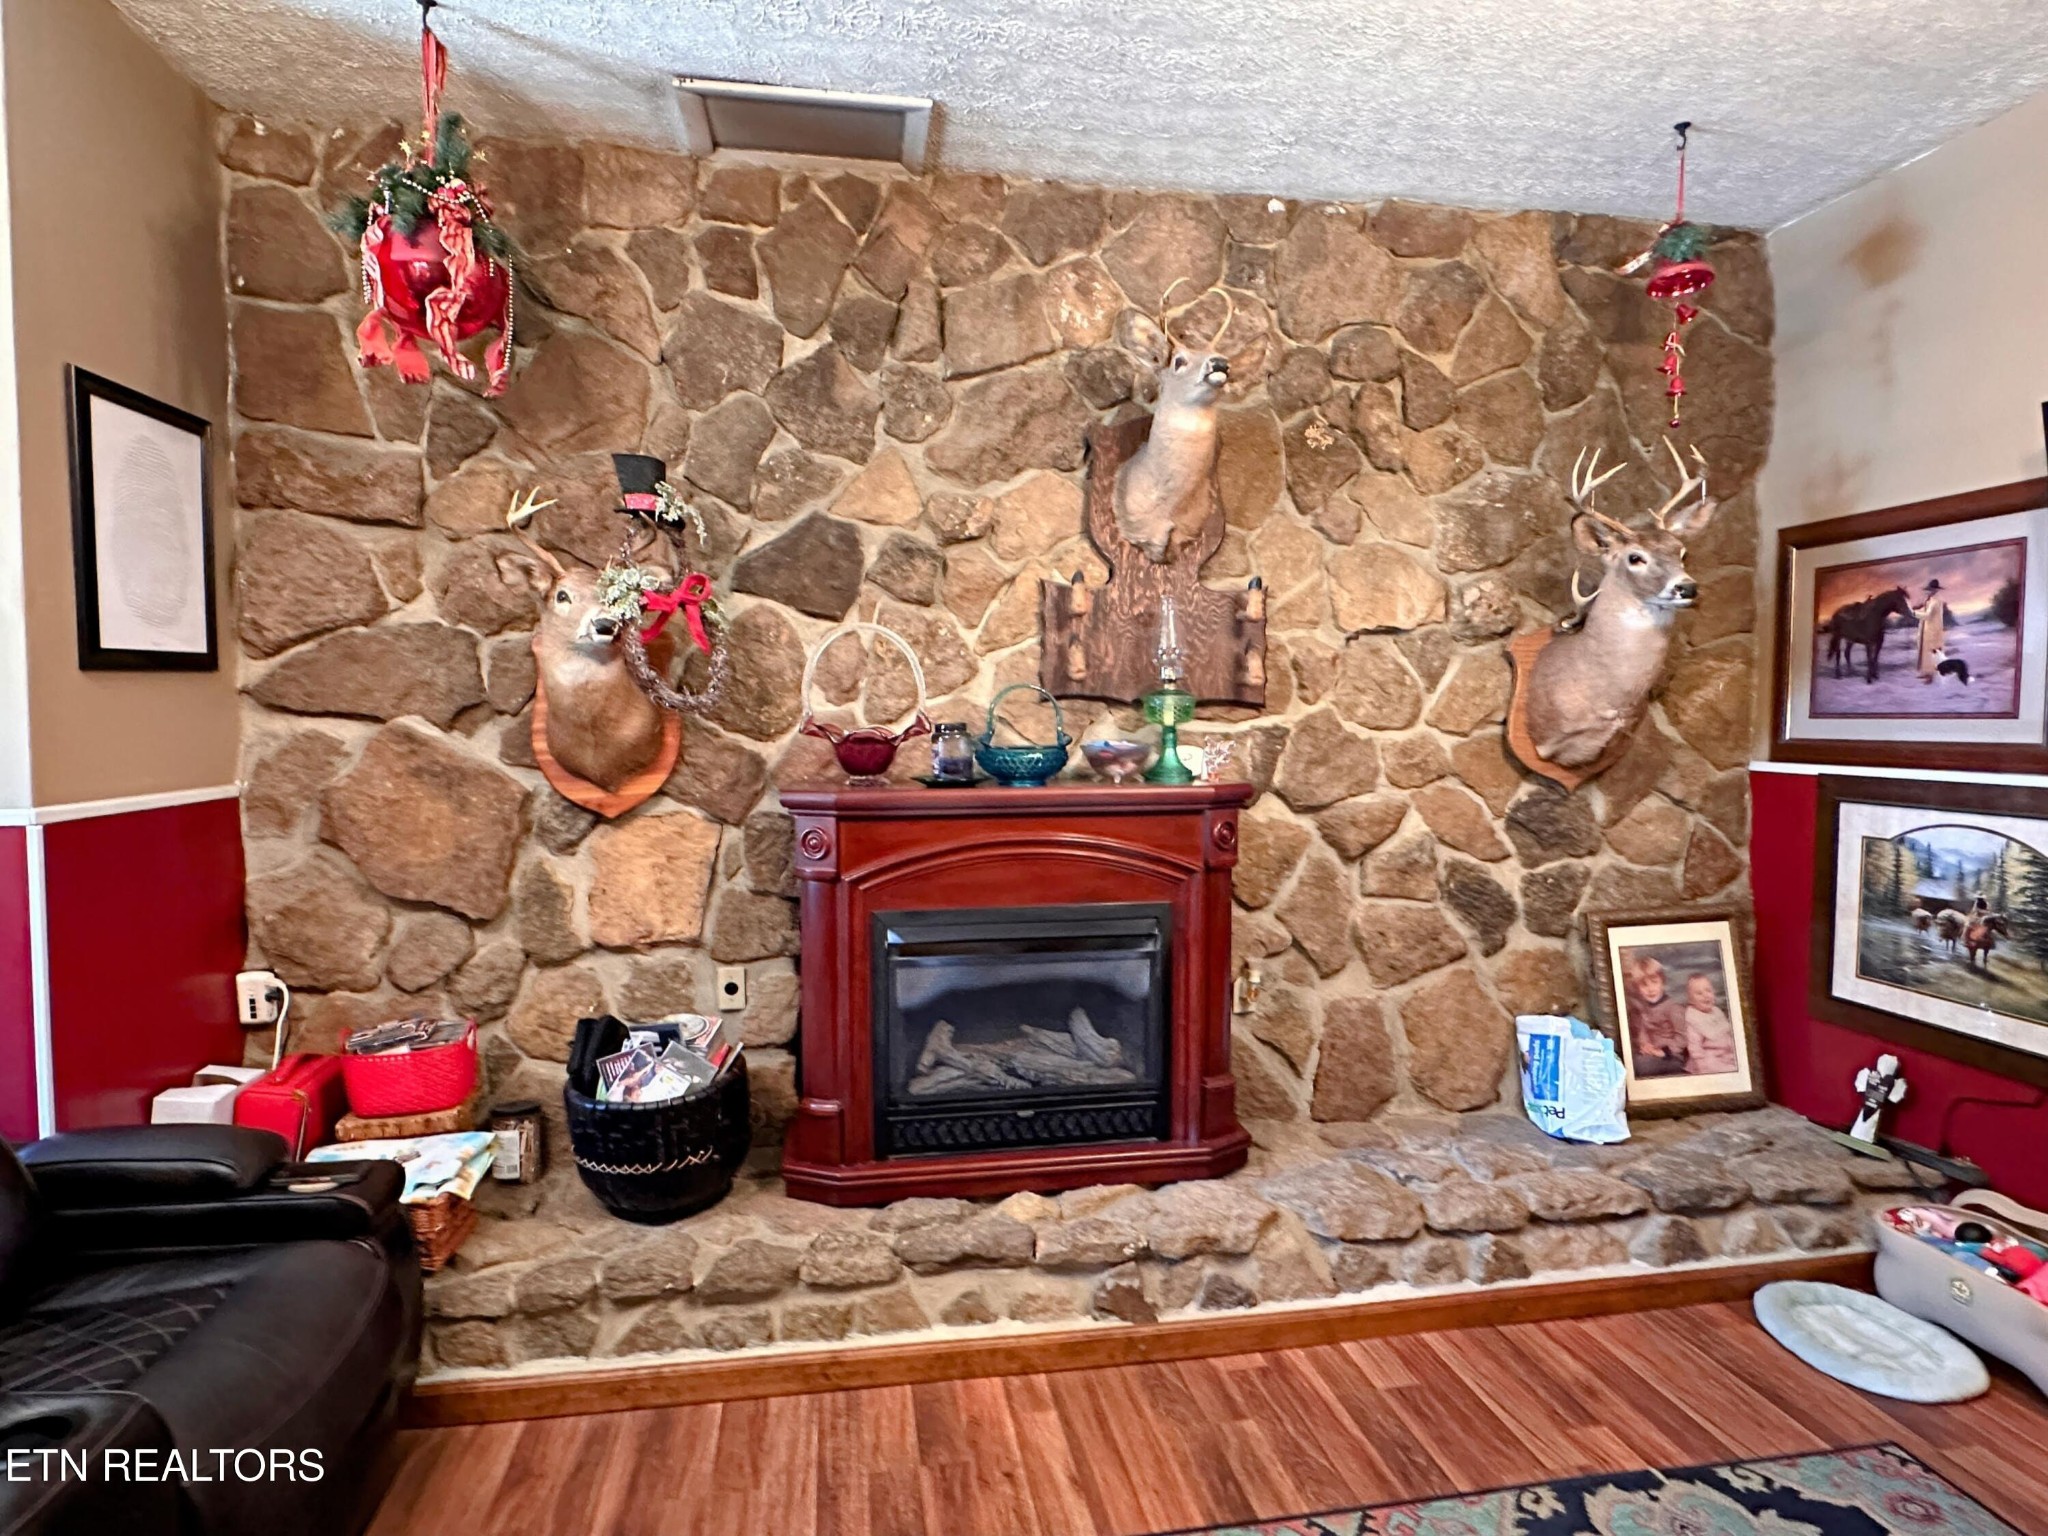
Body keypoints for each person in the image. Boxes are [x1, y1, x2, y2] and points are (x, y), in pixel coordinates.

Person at [1623, 955, 1689, 1077]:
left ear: (1662, 982)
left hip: (1672, 1056)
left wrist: (1664, 1052)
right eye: (1644, 985)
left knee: (1640, 1066)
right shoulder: (1644, 1008)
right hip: (1653, 1052)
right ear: (1638, 988)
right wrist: (1645, 1045)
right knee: (1630, 1062)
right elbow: (1643, 1031)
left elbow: (1683, 1037)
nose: (1650, 989)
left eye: (1654, 982)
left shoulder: (1673, 1007)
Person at [1681, 972, 1739, 1075]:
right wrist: (1701, 1064)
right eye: (1699, 993)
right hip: (1705, 1057)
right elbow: (1695, 1048)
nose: (1705, 995)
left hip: (1725, 1053)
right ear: (1691, 1000)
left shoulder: (1716, 1011)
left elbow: (1727, 1034)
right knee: (1713, 1064)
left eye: (1708, 990)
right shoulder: (1694, 1018)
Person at [1913, 578, 1945, 684]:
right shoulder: (1930, 600)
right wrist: (1916, 610)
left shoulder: (1936, 601)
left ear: (1936, 590)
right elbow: (1924, 611)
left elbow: (1928, 615)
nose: (1930, 591)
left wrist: (1913, 614)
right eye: (1929, 589)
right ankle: (1926, 672)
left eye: (1932, 589)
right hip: (1927, 629)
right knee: (1925, 652)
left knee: (1931, 652)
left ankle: (1931, 676)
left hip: (1933, 630)